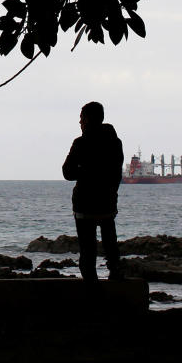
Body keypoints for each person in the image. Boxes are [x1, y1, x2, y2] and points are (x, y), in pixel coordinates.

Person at [61, 101, 125, 282]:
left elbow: (67, 172)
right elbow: (116, 173)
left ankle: (92, 291)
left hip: (85, 204)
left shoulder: (80, 143)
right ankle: (115, 281)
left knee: (87, 251)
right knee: (111, 246)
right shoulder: (115, 143)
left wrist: (84, 171)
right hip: (107, 202)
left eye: (82, 119)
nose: (80, 123)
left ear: (89, 120)